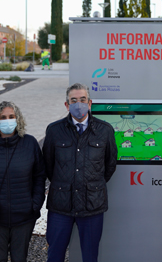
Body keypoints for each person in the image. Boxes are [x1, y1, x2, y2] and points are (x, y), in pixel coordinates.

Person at [43, 83, 117, 262]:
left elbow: (109, 165)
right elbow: (48, 165)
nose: (78, 104)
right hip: (61, 206)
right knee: (55, 255)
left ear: (90, 103)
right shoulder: (54, 130)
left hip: (92, 205)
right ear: (67, 105)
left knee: (90, 256)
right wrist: (64, 183)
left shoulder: (105, 130)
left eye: (82, 100)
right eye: (73, 100)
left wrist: (91, 183)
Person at [0, 101, 46, 262]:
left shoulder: (30, 143)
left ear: (18, 119)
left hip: (24, 217)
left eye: (11, 116)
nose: (7, 120)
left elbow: (39, 176)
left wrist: (35, 204)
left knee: (19, 258)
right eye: (3, 117)